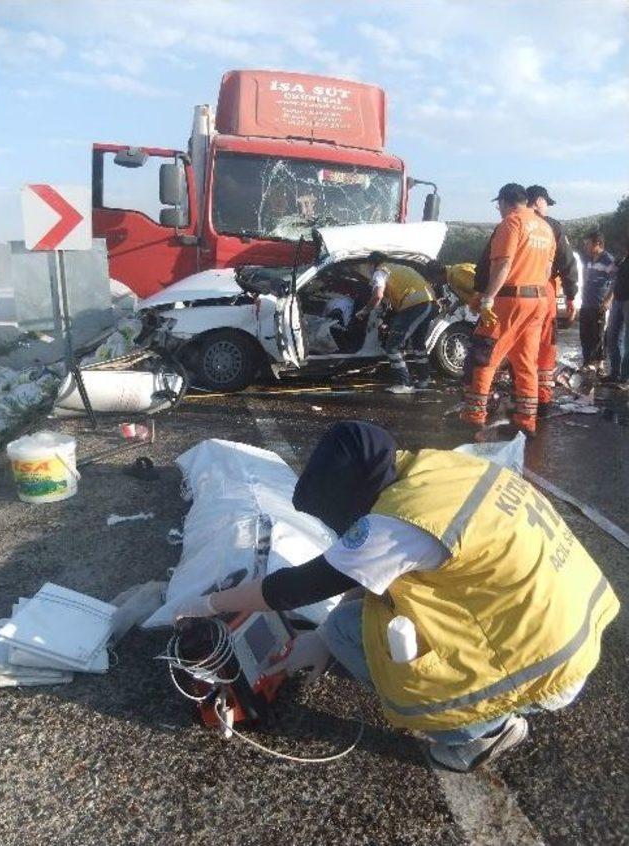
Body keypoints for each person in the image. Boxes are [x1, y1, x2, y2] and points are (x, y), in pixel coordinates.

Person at [176, 421, 619, 773]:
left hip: (545, 666)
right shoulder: (434, 472)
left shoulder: (395, 523)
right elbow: (364, 573)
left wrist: (211, 605)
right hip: (569, 628)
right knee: (364, 613)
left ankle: (480, 732)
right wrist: (320, 642)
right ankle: (492, 707)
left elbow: (296, 588)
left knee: (351, 631)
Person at [457, 183, 555, 438]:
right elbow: (546, 271)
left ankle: (473, 417)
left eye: (498, 205)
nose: (498, 210)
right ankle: (526, 421)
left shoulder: (511, 224)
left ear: (504, 202)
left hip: (510, 300)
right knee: (525, 362)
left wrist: (488, 297)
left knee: (484, 356)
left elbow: (503, 265)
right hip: (538, 300)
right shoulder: (545, 228)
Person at [526, 185, 580, 414]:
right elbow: (568, 263)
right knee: (545, 345)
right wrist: (571, 297)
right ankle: (543, 401)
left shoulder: (511, 223)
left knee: (520, 348)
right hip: (543, 290)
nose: (547, 208)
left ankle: (522, 402)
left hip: (511, 292)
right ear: (539, 201)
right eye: (546, 203)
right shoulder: (552, 227)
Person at [356, 252, 438, 393]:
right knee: (418, 344)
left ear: (372, 264)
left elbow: (377, 297)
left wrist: (363, 312)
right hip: (429, 303)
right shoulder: (401, 268)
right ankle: (424, 379)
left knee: (392, 346)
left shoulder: (380, 272)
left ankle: (404, 384)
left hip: (414, 305)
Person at [580, 230, 616, 371]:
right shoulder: (589, 260)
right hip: (586, 304)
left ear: (598, 244)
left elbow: (616, 282)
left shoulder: (608, 260)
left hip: (600, 304)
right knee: (585, 334)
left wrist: (608, 301)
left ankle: (599, 364)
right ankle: (587, 362)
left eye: (587, 244)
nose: (585, 247)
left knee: (599, 335)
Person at [603, 238, 629, 388]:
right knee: (612, 336)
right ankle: (615, 373)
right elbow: (614, 278)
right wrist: (608, 299)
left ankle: (625, 378)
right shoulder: (622, 261)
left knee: (627, 341)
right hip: (618, 301)